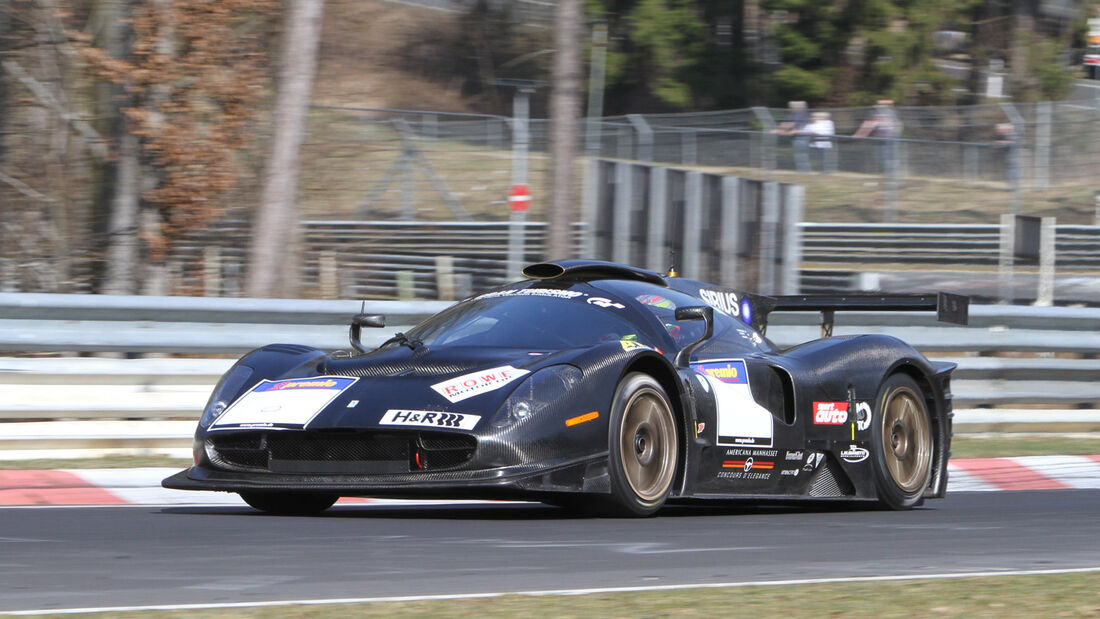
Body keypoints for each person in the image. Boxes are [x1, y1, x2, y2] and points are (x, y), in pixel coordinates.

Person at [854, 99, 903, 176]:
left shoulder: (889, 113)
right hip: (882, 139)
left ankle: (891, 172)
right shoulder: (878, 114)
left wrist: (860, 135)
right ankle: (889, 171)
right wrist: (860, 135)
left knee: (886, 156)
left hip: (889, 138)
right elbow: (868, 125)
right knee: (881, 156)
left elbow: (869, 125)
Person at [776, 101, 810, 172]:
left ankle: (804, 170)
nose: (789, 109)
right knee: (798, 154)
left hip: (801, 137)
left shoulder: (803, 115)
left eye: (791, 107)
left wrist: (784, 130)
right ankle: (801, 170)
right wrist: (781, 129)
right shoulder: (792, 115)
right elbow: (785, 123)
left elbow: (792, 124)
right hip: (795, 137)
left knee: (801, 153)